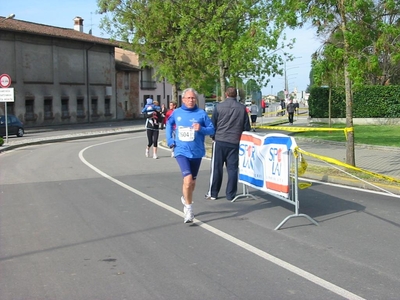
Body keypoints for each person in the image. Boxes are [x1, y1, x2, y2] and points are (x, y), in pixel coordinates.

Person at [166, 88, 215, 223]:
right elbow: (168, 124)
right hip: (181, 151)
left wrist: (202, 129)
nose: (191, 100)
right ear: (183, 99)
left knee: (192, 183)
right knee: (187, 180)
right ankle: (189, 209)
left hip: (197, 152)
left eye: (193, 98)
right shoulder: (177, 113)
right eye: (188, 98)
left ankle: (186, 197)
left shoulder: (201, 114)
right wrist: (170, 140)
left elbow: (212, 129)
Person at [205, 86, 251, 201]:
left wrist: (213, 136)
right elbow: (246, 127)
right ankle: (230, 194)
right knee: (233, 169)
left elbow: (213, 124)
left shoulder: (219, 107)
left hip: (220, 140)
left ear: (226, 94)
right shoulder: (242, 108)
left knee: (216, 168)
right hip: (235, 142)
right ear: (236, 95)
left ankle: (214, 193)